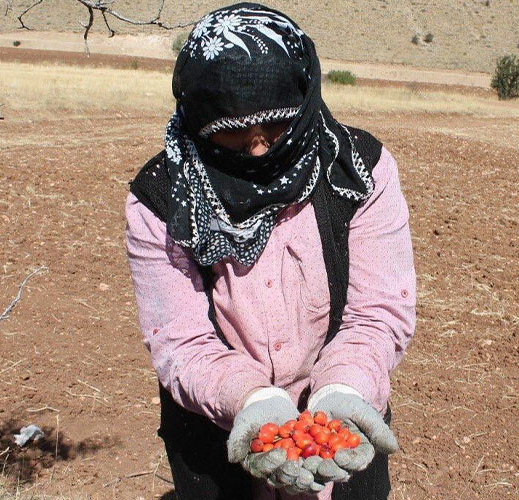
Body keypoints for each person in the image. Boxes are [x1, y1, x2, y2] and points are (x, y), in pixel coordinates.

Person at [125, 3, 416, 499]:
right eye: (235, 135)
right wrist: (250, 399)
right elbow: (180, 341)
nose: (259, 150)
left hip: (339, 422)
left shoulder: (358, 171)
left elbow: (377, 313)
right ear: (200, 120)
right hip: (219, 427)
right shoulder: (162, 196)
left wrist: (342, 390)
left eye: (275, 128)